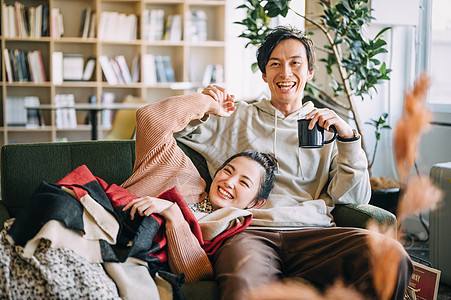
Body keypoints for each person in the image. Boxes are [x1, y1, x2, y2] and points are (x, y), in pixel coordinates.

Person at [170, 25, 413, 299]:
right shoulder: (235, 117)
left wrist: (349, 139)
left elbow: (353, 197)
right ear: (264, 74)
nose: (285, 73)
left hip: (312, 232)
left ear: (309, 71)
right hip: (248, 232)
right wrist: (202, 103)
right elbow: (172, 130)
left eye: (295, 63)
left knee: (391, 256)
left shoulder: (326, 126)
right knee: (243, 287)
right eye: (275, 64)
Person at [121, 94, 278, 283]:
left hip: (128, 260)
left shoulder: (231, 234)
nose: (229, 182)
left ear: (255, 203)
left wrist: (173, 214)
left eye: (244, 182)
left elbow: (194, 275)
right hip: (106, 221)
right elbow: (150, 118)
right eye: (228, 171)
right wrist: (208, 103)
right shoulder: (183, 172)